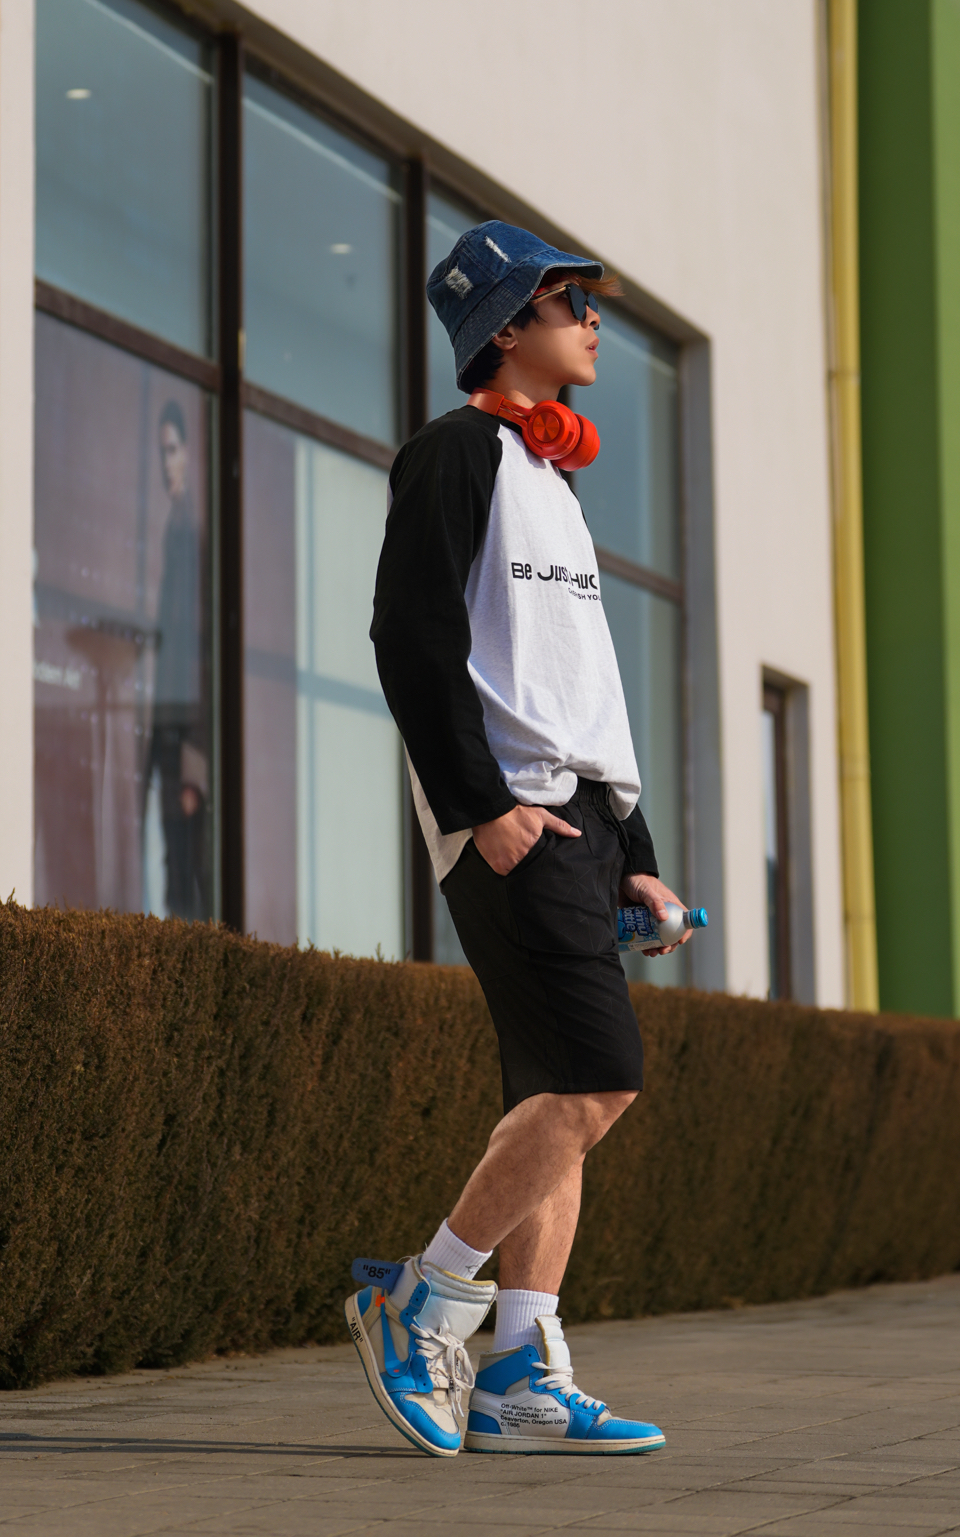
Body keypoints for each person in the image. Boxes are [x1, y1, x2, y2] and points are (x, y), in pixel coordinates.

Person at [352, 219, 691, 1459]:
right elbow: (409, 639)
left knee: (555, 1098)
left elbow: (577, 687)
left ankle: (515, 1372)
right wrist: (480, 808)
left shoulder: (550, 481)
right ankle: (420, 1301)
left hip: (577, 819)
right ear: (505, 325)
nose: (593, 321)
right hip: (513, 817)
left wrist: (634, 845)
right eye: (568, 301)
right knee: (601, 1079)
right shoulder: (452, 455)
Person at [150, 399, 210, 921]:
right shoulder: (178, 526)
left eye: (172, 450)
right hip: (172, 730)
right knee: (176, 869)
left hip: (186, 733)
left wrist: (192, 762)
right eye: (161, 453)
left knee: (188, 874)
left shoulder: (190, 530)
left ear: (188, 453)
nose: (166, 463)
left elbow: (197, 649)